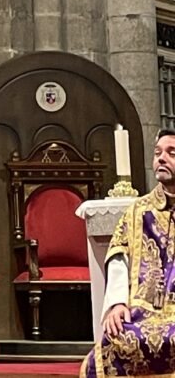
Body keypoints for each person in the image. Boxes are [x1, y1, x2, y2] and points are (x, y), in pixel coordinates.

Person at [81, 129, 175, 376]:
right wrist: (117, 303)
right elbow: (118, 256)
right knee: (112, 344)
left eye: (171, 153)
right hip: (142, 312)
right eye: (157, 153)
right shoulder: (137, 211)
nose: (161, 159)